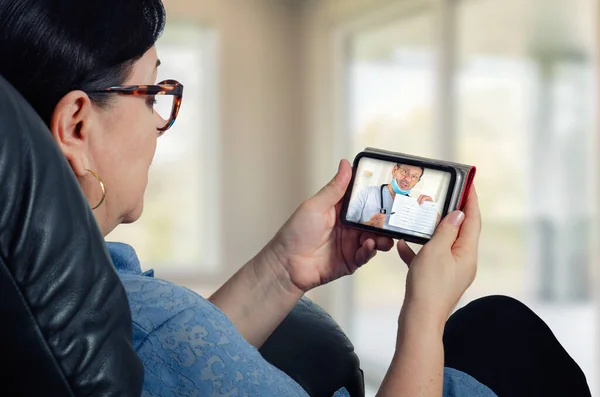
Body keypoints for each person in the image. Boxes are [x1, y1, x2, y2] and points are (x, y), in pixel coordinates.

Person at [0, 1, 591, 396]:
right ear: (78, 125)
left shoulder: (65, 299)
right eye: (152, 91)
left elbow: (170, 366)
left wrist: (285, 270)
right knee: (503, 329)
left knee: (491, 326)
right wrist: (424, 311)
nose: (159, 123)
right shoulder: (144, 314)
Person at [347, 163, 438, 230]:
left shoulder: (416, 206)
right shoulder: (368, 192)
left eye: (414, 176)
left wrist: (431, 211)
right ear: (395, 170)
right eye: (405, 171)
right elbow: (347, 223)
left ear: (417, 181)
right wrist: (369, 225)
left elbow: (430, 233)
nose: (408, 179)